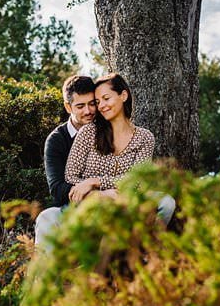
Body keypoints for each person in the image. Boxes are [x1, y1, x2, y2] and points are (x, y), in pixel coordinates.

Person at [63, 74, 176, 223]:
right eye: (98, 102)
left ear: (123, 95)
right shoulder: (88, 132)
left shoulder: (144, 137)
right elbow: (70, 176)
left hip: (129, 198)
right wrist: (100, 194)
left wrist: (96, 181)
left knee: (167, 202)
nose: (101, 106)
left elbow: (137, 180)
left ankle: (151, 244)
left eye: (106, 98)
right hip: (93, 202)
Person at [33, 75, 98, 249]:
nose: (88, 111)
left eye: (92, 103)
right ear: (68, 107)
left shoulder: (107, 129)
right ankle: (44, 274)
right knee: (46, 218)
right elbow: (57, 188)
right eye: (80, 106)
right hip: (71, 207)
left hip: (109, 201)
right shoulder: (56, 140)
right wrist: (90, 192)